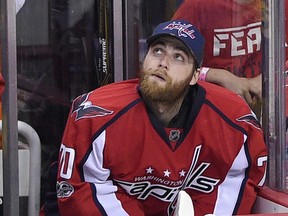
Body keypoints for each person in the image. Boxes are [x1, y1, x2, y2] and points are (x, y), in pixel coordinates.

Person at [56, 20, 268, 216]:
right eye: (157, 51)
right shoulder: (96, 114)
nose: (163, 63)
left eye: (178, 57)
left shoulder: (233, 121)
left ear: (195, 76)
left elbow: (237, 180)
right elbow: (80, 192)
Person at [172, 0, 263, 114]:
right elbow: (171, 65)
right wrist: (217, 76)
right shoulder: (197, 5)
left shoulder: (278, 5)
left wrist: (271, 78)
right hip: (210, 109)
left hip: (267, 108)